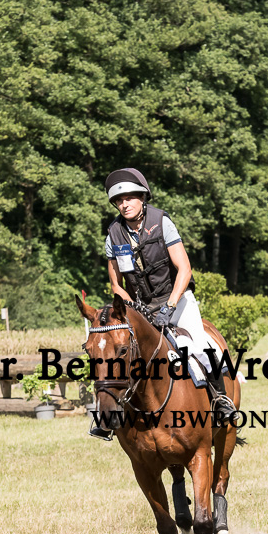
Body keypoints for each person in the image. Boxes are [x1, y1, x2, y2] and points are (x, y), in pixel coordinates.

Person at [90, 167, 236, 440]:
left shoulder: (162, 222)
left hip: (177, 300)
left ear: (142, 198)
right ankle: (109, 416)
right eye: (119, 201)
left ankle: (221, 400)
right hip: (140, 308)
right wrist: (135, 309)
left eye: (129, 198)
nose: (124, 204)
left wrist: (169, 306)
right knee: (117, 353)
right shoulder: (113, 234)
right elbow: (116, 285)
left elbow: (184, 270)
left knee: (199, 347)